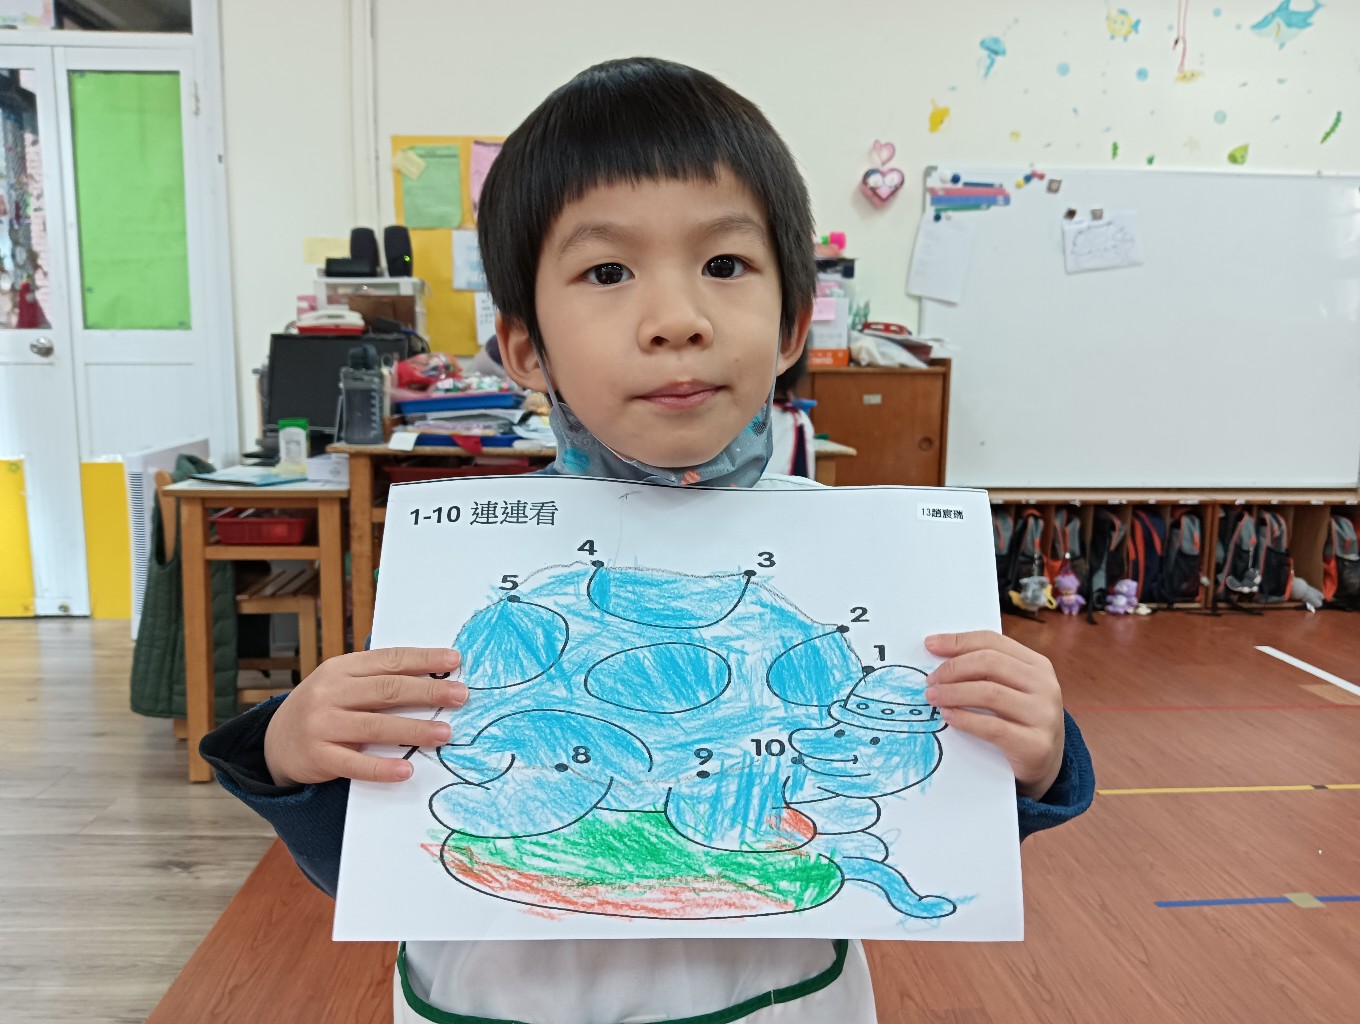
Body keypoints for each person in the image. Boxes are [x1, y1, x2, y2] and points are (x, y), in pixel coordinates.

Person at [202, 57, 1095, 1024]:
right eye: (607, 272)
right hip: (489, 999)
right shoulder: (475, 572)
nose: (677, 320)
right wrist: (290, 752)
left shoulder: (852, 568)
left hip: (780, 1001)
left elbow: (914, 820)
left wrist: (1033, 757)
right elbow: (380, 854)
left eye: (725, 265)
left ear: (793, 323)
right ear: (525, 348)